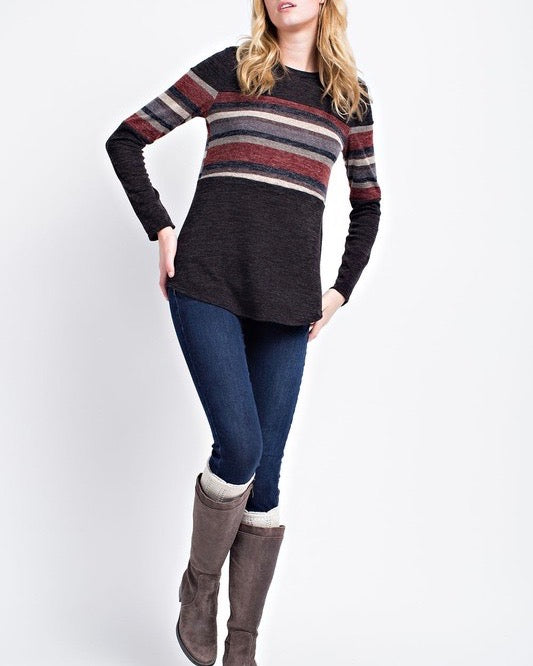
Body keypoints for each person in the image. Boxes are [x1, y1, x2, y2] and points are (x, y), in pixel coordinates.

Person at [105, 0, 381, 662]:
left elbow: (368, 205)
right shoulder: (231, 69)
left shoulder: (348, 98)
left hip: (287, 304)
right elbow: (127, 138)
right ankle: (198, 594)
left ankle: (242, 645)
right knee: (240, 446)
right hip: (206, 283)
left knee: (268, 478)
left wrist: (339, 291)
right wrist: (162, 229)